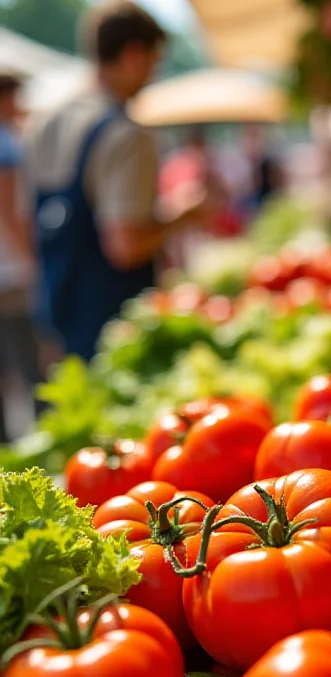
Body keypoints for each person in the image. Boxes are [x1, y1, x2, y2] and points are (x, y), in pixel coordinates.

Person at [27, 1, 215, 361]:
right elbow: (125, 246)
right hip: (114, 328)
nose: (153, 74)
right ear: (133, 55)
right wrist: (185, 214)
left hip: (59, 311)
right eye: (154, 61)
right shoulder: (127, 134)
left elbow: (26, 227)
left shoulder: (43, 124)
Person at [0, 72, 41, 442]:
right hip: (10, 273)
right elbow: (10, 209)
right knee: (31, 363)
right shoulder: (6, 145)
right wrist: (31, 260)